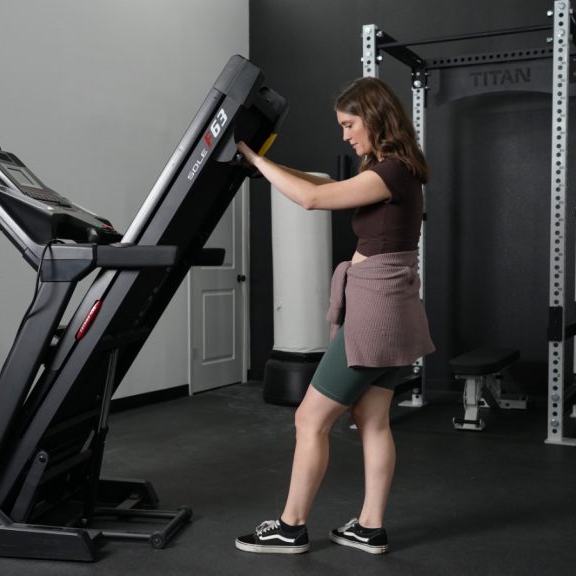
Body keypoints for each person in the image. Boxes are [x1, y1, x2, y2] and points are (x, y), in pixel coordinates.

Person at [233, 76, 434, 555]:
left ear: (375, 117)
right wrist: (263, 163)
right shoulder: (395, 170)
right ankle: (369, 527)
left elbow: (311, 199)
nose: (344, 135)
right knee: (373, 421)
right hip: (396, 309)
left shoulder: (392, 171)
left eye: (349, 124)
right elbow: (322, 184)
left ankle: (290, 525)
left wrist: (253, 157)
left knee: (309, 420)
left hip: (374, 312)